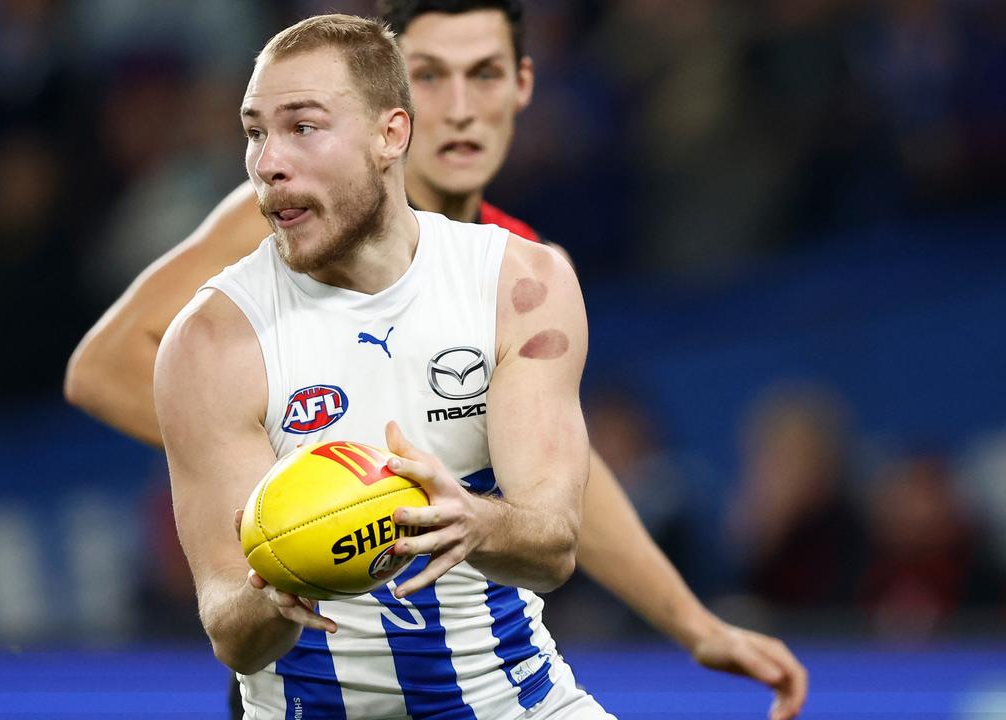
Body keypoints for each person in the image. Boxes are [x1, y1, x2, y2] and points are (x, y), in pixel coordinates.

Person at [66, 3, 807, 719]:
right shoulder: (261, 252)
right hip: (313, 681)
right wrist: (305, 492)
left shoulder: (518, 273)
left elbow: (556, 504)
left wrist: (690, 622)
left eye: (481, 74)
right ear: (404, 100)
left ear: (520, 86)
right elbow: (108, 374)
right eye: (430, 74)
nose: (457, 107)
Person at [158, 15, 602, 716]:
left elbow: (553, 547)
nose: (268, 162)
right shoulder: (211, 341)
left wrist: (471, 523)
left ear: (391, 135)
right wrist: (273, 585)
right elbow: (231, 636)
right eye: (254, 132)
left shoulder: (518, 286)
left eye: (302, 127)